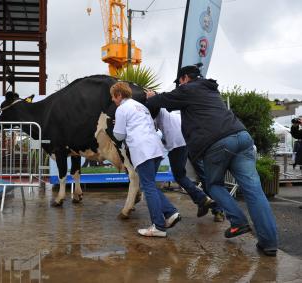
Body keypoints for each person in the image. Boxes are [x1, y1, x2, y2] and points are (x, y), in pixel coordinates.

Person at [145, 64, 278, 256]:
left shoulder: (188, 89)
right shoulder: (210, 91)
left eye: (179, 82)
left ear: (184, 78)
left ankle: (238, 221)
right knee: (254, 191)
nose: (179, 86)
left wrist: (151, 97)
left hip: (217, 144)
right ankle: (269, 243)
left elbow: (162, 100)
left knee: (214, 185)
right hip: (242, 137)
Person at [111, 82, 180, 237]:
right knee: (148, 185)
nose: (113, 100)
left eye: (113, 97)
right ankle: (171, 213)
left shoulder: (121, 109)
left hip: (142, 150)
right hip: (155, 149)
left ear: (119, 95)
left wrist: (116, 126)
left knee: (148, 187)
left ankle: (159, 226)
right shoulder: (141, 107)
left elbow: (119, 136)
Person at [155, 108, 224, 221]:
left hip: (178, 143)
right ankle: (217, 209)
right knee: (203, 175)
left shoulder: (154, 109)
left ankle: (203, 200)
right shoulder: (173, 110)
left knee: (179, 175)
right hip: (191, 140)